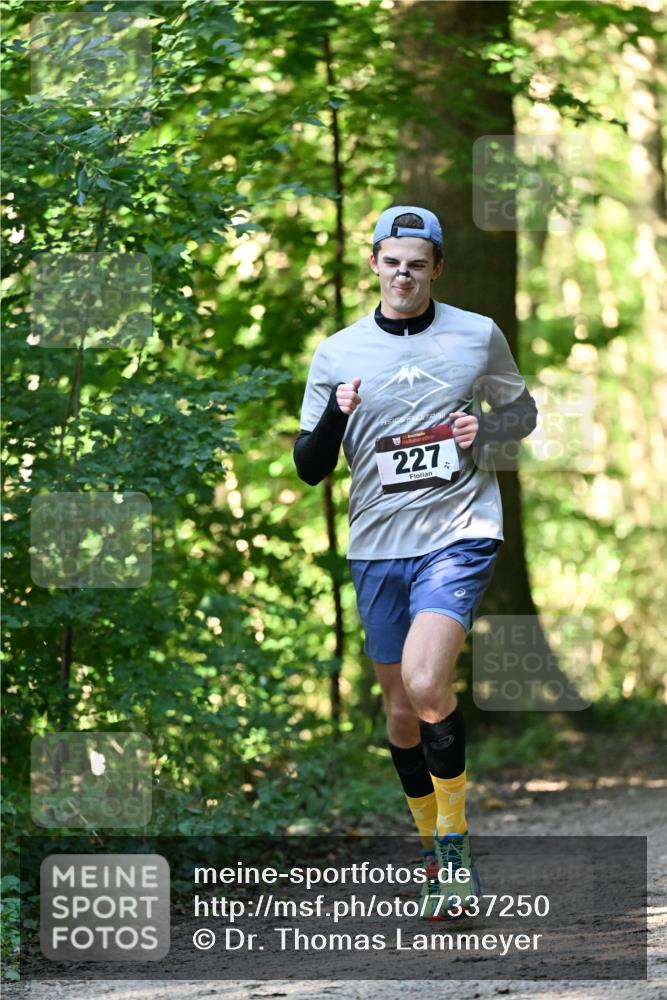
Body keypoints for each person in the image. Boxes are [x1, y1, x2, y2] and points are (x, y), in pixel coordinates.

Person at [293, 206, 537, 919]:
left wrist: (482, 428)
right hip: (376, 546)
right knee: (401, 712)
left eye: (418, 264)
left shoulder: (476, 334)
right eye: (393, 262)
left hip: (459, 532)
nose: (404, 275)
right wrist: (337, 414)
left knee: (428, 683)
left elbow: (522, 416)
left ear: (437, 269)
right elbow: (309, 465)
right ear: (373, 262)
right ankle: (430, 850)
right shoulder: (337, 353)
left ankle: (455, 849)